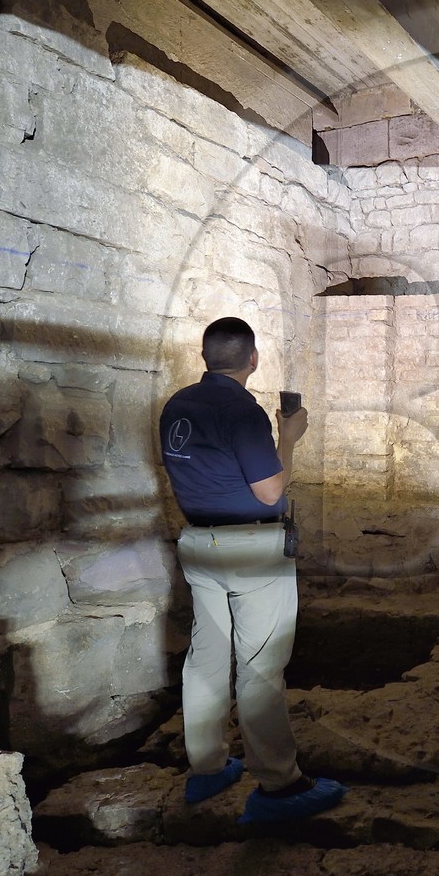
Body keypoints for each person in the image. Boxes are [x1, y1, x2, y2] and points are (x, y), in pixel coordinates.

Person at [157, 316, 345, 823]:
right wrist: (289, 437)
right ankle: (279, 786)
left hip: (199, 544)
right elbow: (270, 491)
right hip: (250, 549)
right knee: (260, 666)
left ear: (204, 357)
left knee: (206, 658)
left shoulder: (177, 404)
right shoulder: (242, 410)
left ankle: (207, 767)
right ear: (253, 359)